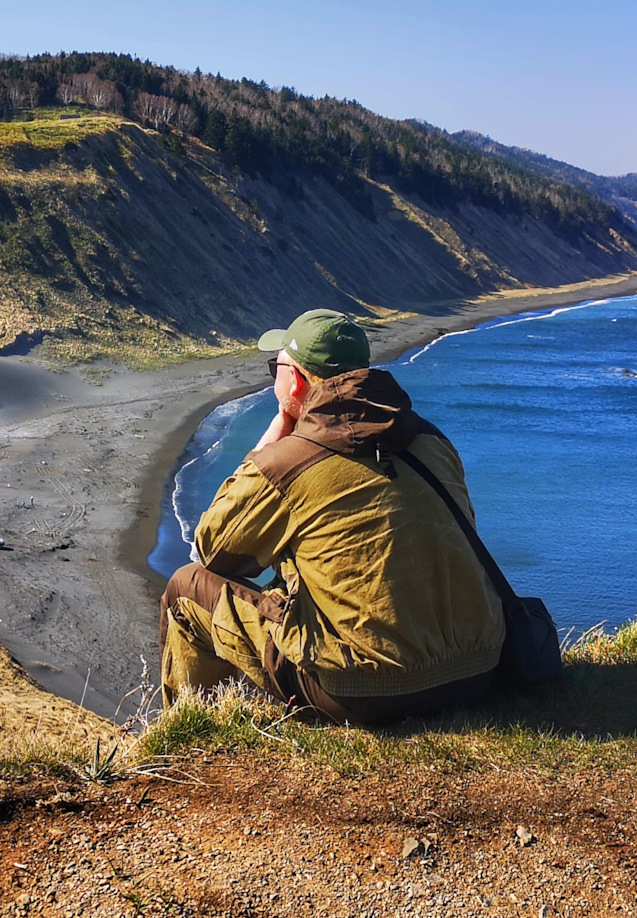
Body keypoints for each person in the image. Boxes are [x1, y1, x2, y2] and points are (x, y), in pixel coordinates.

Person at [158, 309, 505, 726]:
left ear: (297, 381)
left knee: (184, 588)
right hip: (480, 670)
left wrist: (270, 443)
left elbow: (210, 550)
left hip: (365, 691)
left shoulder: (287, 464)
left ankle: (190, 737)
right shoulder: (431, 440)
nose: (274, 377)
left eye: (277, 367)